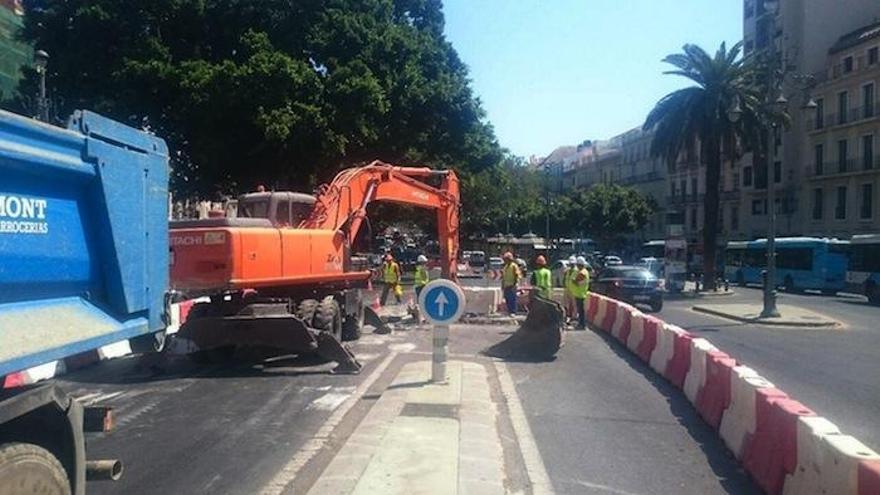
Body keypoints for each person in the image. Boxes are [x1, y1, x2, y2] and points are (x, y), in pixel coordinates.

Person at [572, 256, 591, 329]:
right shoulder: (582, 271)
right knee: (580, 310)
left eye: (577, 264)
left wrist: (574, 280)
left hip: (580, 294)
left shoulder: (582, 273)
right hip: (580, 293)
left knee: (581, 311)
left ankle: (582, 325)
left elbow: (576, 281)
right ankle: (581, 324)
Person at [563, 255, 578, 323]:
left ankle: (574, 317)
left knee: (574, 304)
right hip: (567, 289)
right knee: (566, 304)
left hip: (574, 290)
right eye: (570, 264)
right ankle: (567, 316)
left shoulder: (577, 271)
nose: (571, 265)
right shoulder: (567, 271)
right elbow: (565, 279)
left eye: (572, 264)